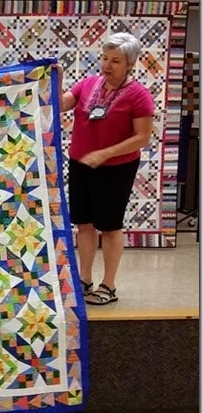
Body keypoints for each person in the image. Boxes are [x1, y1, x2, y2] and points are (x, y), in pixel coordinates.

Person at [55, 32, 154, 305]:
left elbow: (142, 137)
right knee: (84, 224)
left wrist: (105, 153)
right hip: (81, 164)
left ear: (130, 65)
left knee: (109, 226)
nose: (107, 65)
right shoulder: (88, 84)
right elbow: (60, 105)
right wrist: (58, 77)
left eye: (115, 61)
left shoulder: (139, 95)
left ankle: (108, 285)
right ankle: (84, 279)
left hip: (115, 169)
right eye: (105, 58)